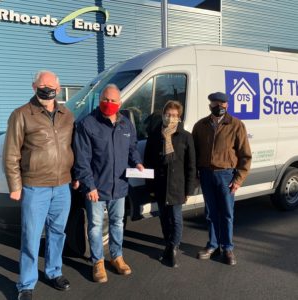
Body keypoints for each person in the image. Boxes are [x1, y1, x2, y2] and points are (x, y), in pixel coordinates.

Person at [3, 71, 74, 300]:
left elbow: (73, 148)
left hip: (62, 185)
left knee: (57, 232)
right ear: (34, 86)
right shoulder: (21, 114)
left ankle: (54, 272)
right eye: (43, 84)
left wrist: (75, 174)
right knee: (31, 236)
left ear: (58, 87)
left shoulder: (67, 115)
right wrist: (15, 185)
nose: (47, 88)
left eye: (51, 85)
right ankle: (26, 283)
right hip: (35, 186)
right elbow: (11, 153)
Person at [73, 84, 144, 283]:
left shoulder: (126, 124)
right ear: (100, 99)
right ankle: (98, 262)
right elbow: (82, 159)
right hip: (96, 187)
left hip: (119, 186)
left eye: (113, 101)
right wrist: (89, 185)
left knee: (117, 224)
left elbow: (132, 148)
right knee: (95, 225)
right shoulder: (87, 124)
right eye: (106, 99)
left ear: (120, 103)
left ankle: (117, 256)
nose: (109, 104)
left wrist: (137, 161)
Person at [192, 92, 252, 266]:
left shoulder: (236, 125)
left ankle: (227, 247)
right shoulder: (200, 126)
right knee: (211, 213)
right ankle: (212, 245)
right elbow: (194, 153)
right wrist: (195, 173)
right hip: (206, 174)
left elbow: (245, 156)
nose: (220, 107)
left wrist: (239, 179)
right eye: (216, 103)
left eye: (223, 104)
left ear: (227, 105)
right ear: (210, 105)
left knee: (226, 213)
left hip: (226, 175)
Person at [144, 101, 196, 267]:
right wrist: (150, 187)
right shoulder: (154, 135)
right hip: (159, 185)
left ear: (179, 117)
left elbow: (191, 165)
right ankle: (168, 243)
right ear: (163, 115)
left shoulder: (186, 136)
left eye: (175, 115)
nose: (171, 118)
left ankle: (173, 248)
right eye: (168, 114)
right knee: (164, 218)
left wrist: (189, 189)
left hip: (177, 186)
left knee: (176, 218)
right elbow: (148, 162)